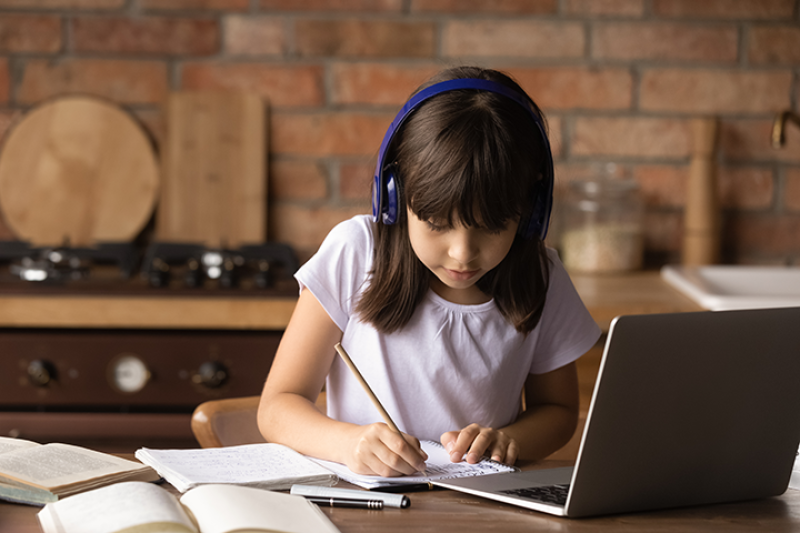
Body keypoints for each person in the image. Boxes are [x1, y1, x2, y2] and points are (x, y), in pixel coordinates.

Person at [258, 66, 601, 478]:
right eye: (437, 224)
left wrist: (512, 440)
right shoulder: (354, 252)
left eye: (493, 227)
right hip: (367, 506)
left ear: (529, 214)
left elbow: (559, 411)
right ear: (394, 197)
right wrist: (348, 443)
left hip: (482, 512)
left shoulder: (541, 276)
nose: (462, 253)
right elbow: (277, 407)